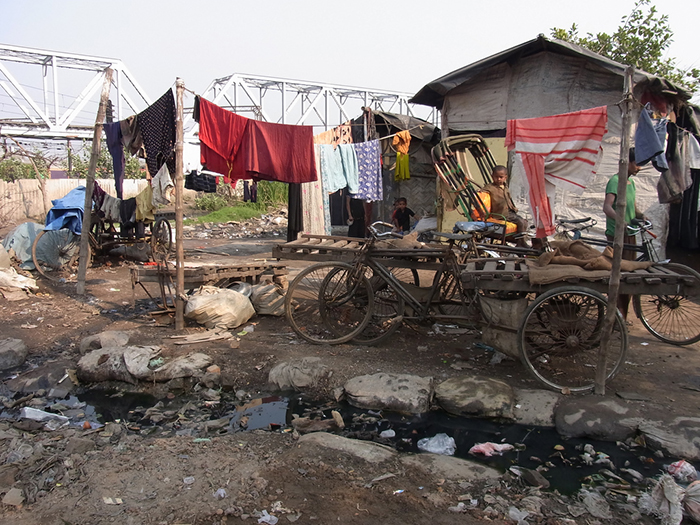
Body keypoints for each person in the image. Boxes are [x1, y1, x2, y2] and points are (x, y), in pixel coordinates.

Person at [603, 148, 644, 320]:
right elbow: (607, 207)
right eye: (637, 163)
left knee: (627, 277)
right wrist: (620, 220)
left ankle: (622, 316)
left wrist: (642, 216)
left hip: (629, 234)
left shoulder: (631, 183)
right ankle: (616, 315)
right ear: (628, 162)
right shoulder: (615, 181)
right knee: (619, 276)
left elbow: (632, 206)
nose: (639, 168)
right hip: (617, 235)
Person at [482, 165, 529, 247]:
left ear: (505, 177)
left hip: (509, 211)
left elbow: (508, 199)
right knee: (521, 222)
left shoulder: (505, 187)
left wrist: (513, 208)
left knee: (524, 222)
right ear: (492, 177)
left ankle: (519, 242)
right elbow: (482, 191)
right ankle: (521, 243)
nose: (499, 179)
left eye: (501, 177)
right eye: (496, 177)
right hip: (501, 214)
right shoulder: (490, 187)